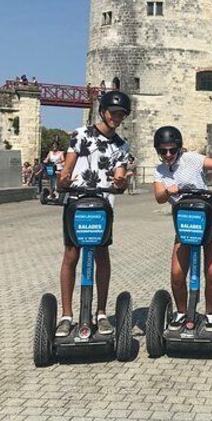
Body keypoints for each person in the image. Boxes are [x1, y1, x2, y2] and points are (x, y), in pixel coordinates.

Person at [54, 91, 131, 338]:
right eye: (114, 113)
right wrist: (63, 180)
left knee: (101, 254)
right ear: (103, 111)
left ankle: (100, 313)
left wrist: (120, 183)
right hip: (77, 202)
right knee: (71, 254)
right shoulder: (80, 135)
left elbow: (120, 177)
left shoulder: (121, 146)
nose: (117, 118)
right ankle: (66, 315)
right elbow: (67, 170)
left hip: (103, 204)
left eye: (122, 114)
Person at [152, 126, 212, 331]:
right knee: (177, 274)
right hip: (185, 220)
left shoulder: (192, 159)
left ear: (178, 147)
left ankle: (210, 314)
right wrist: (170, 190)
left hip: (209, 215)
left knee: (211, 272)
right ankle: (181, 312)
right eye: (163, 151)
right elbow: (159, 198)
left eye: (172, 149)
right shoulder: (159, 171)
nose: (168, 154)